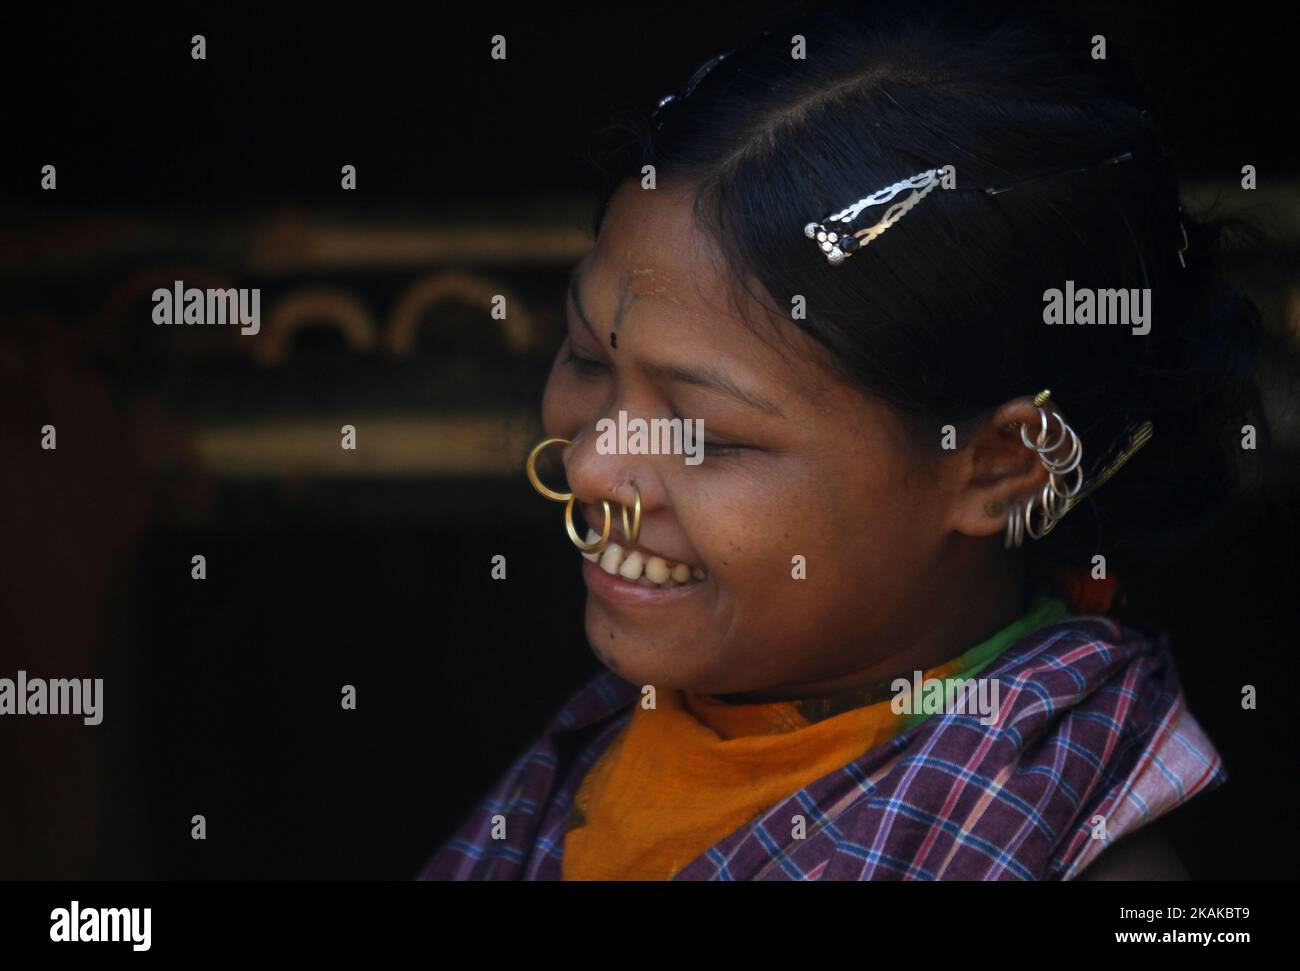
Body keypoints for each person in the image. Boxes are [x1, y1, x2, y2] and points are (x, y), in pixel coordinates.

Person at [420, 1, 1266, 880]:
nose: (592, 462)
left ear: (1003, 464)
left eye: (708, 433)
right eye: (589, 357)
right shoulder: (609, 746)